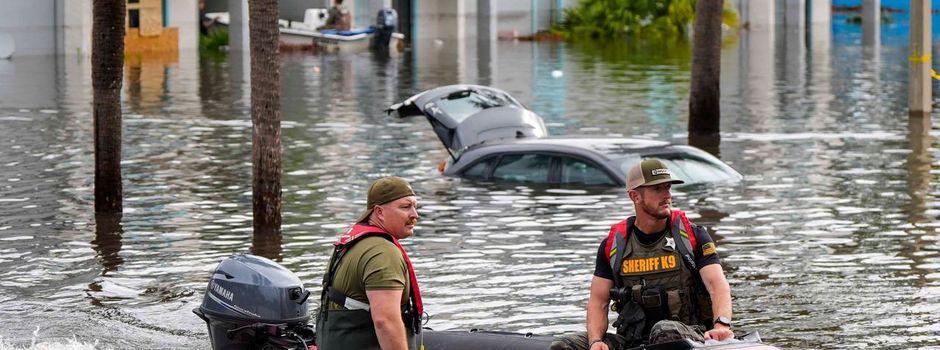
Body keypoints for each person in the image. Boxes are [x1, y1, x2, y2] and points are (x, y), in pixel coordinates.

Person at [552, 159, 734, 350]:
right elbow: (599, 302)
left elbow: (717, 285)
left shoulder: (692, 236)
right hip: (633, 341)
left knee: (663, 331)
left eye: (668, 187)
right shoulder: (614, 245)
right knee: (565, 345)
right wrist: (596, 341)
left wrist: (721, 325)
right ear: (635, 196)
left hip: (690, 337)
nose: (667, 195)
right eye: (657, 189)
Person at [315, 176, 423, 350]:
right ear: (379, 212)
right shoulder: (382, 252)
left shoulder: (355, 243)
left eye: (414, 207)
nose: (414, 215)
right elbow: (385, 321)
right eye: (405, 207)